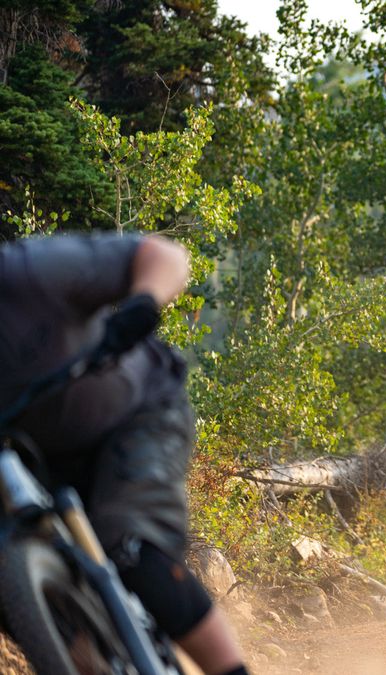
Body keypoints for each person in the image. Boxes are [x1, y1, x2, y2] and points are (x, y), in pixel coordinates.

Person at [0, 233, 248, 675]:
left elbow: (164, 254)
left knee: (130, 545)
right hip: (40, 458)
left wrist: (142, 304)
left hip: (137, 414)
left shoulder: (27, 273)